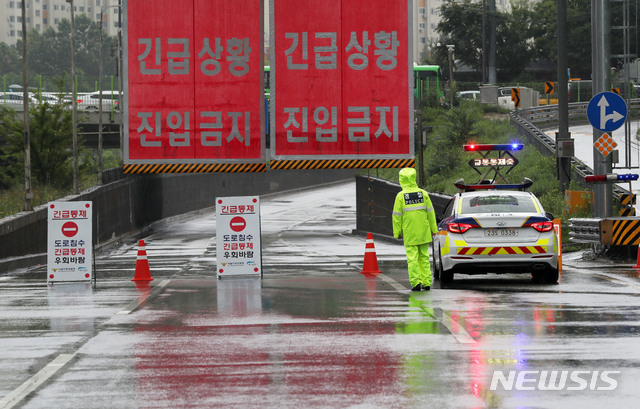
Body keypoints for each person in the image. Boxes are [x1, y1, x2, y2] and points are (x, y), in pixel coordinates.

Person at [392, 168, 438, 291]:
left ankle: (416, 283)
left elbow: (397, 216)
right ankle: (427, 282)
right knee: (424, 258)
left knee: (412, 259)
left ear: (402, 180)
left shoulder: (401, 196)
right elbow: (431, 213)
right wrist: (434, 229)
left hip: (409, 232)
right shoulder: (423, 194)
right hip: (423, 232)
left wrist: (398, 233)